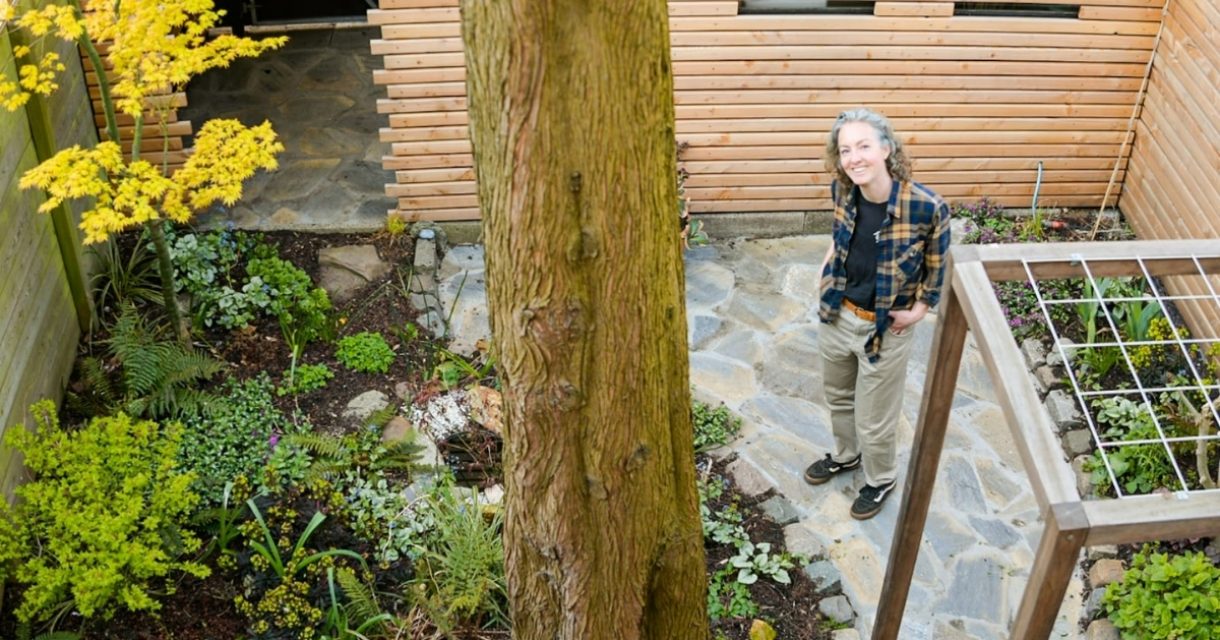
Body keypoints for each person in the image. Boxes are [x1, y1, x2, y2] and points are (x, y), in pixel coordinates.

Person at [804, 108, 951, 520]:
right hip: (837, 315)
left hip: (884, 329)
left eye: (863, 146)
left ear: (886, 148)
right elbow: (840, 235)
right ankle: (847, 456)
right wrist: (826, 266)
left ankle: (881, 478)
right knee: (838, 398)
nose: (854, 158)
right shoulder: (843, 191)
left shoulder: (927, 208)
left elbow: (938, 269)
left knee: (875, 420)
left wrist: (919, 311)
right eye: (846, 149)